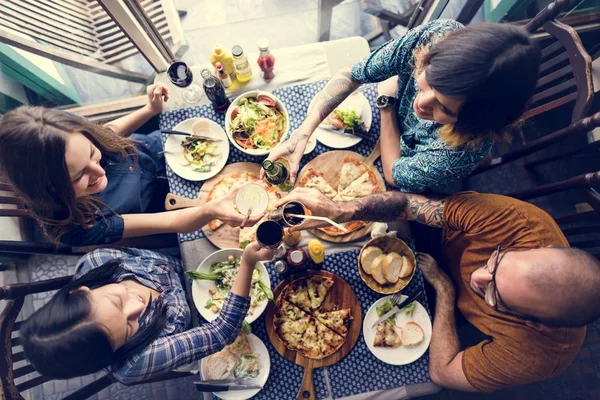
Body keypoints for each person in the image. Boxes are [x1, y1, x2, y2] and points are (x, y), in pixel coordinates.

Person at [281, 187, 600, 392]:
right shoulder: (520, 222)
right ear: (535, 248)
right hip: (439, 239)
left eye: (495, 297)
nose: (478, 277)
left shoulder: (538, 356)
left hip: (444, 302)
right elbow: (408, 204)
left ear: (536, 323)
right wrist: (343, 210)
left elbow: (443, 374)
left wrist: (446, 291)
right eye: (496, 262)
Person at [262, 20, 541, 193]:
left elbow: (394, 173)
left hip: (406, 162)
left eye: (444, 109)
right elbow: (353, 75)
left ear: (472, 124)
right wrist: (303, 132)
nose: (421, 103)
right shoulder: (437, 35)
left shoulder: (461, 152)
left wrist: (386, 105)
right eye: (428, 81)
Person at [0, 87, 261, 246]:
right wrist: (211, 210)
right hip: (157, 209)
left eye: (93, 154)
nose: (99, 172)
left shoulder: (61, 131)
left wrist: (149, 109)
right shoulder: (75, 228)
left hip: (159, 153)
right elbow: (172, 222)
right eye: (80, 175)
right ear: (50, 190)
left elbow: (106, 134)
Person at [20, 242, 273, 383]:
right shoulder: (134, 362)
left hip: (193, 275)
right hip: (198, 331)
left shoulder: (97, 261)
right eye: (130, 326)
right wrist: (247, 264)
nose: (138, 305)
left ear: (80, 291)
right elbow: (221, 333)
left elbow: (163, 260)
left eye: (117, 301)